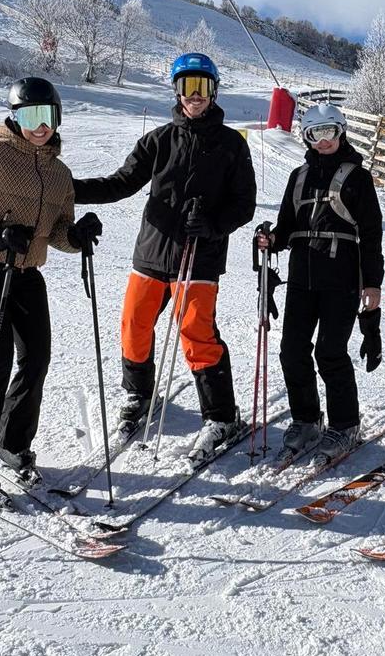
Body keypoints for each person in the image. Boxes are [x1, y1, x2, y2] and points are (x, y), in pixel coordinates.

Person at [74, 53, 256, 463]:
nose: (195, 96)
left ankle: (222, 416)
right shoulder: (158, 140)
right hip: (152, 251)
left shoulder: (231, 146)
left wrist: (211, 224)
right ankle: (138, 394)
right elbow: (120, 182)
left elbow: (244, 205)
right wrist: (68, 189)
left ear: (214, 92)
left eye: (203, 87)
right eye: (188, 87)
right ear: (176, 91)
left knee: (195, 333)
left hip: (200, 257)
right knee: (134, 324)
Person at [0, 77, 103, 503]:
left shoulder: (60, 174)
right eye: (28, 116)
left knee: (37, 358)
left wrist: (78, 236)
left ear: (56, 117)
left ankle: (11, 443)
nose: (38, 125)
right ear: (14, 118)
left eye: (45, 115)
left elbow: (58, 232)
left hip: (26, 273)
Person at [255, 103, 384, 466]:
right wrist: (271, 239)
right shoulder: (298, 176)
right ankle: (307, 419)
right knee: (292, 350)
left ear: (341, 132)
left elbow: (371, 233)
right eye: (315, 134)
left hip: (340, 278)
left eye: (329, 132)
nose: (323, 141)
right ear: (306, 138)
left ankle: (345, 425)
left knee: (329, 352)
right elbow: (285, 226)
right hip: (301, 277)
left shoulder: (358, 177)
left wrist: (372, 283)